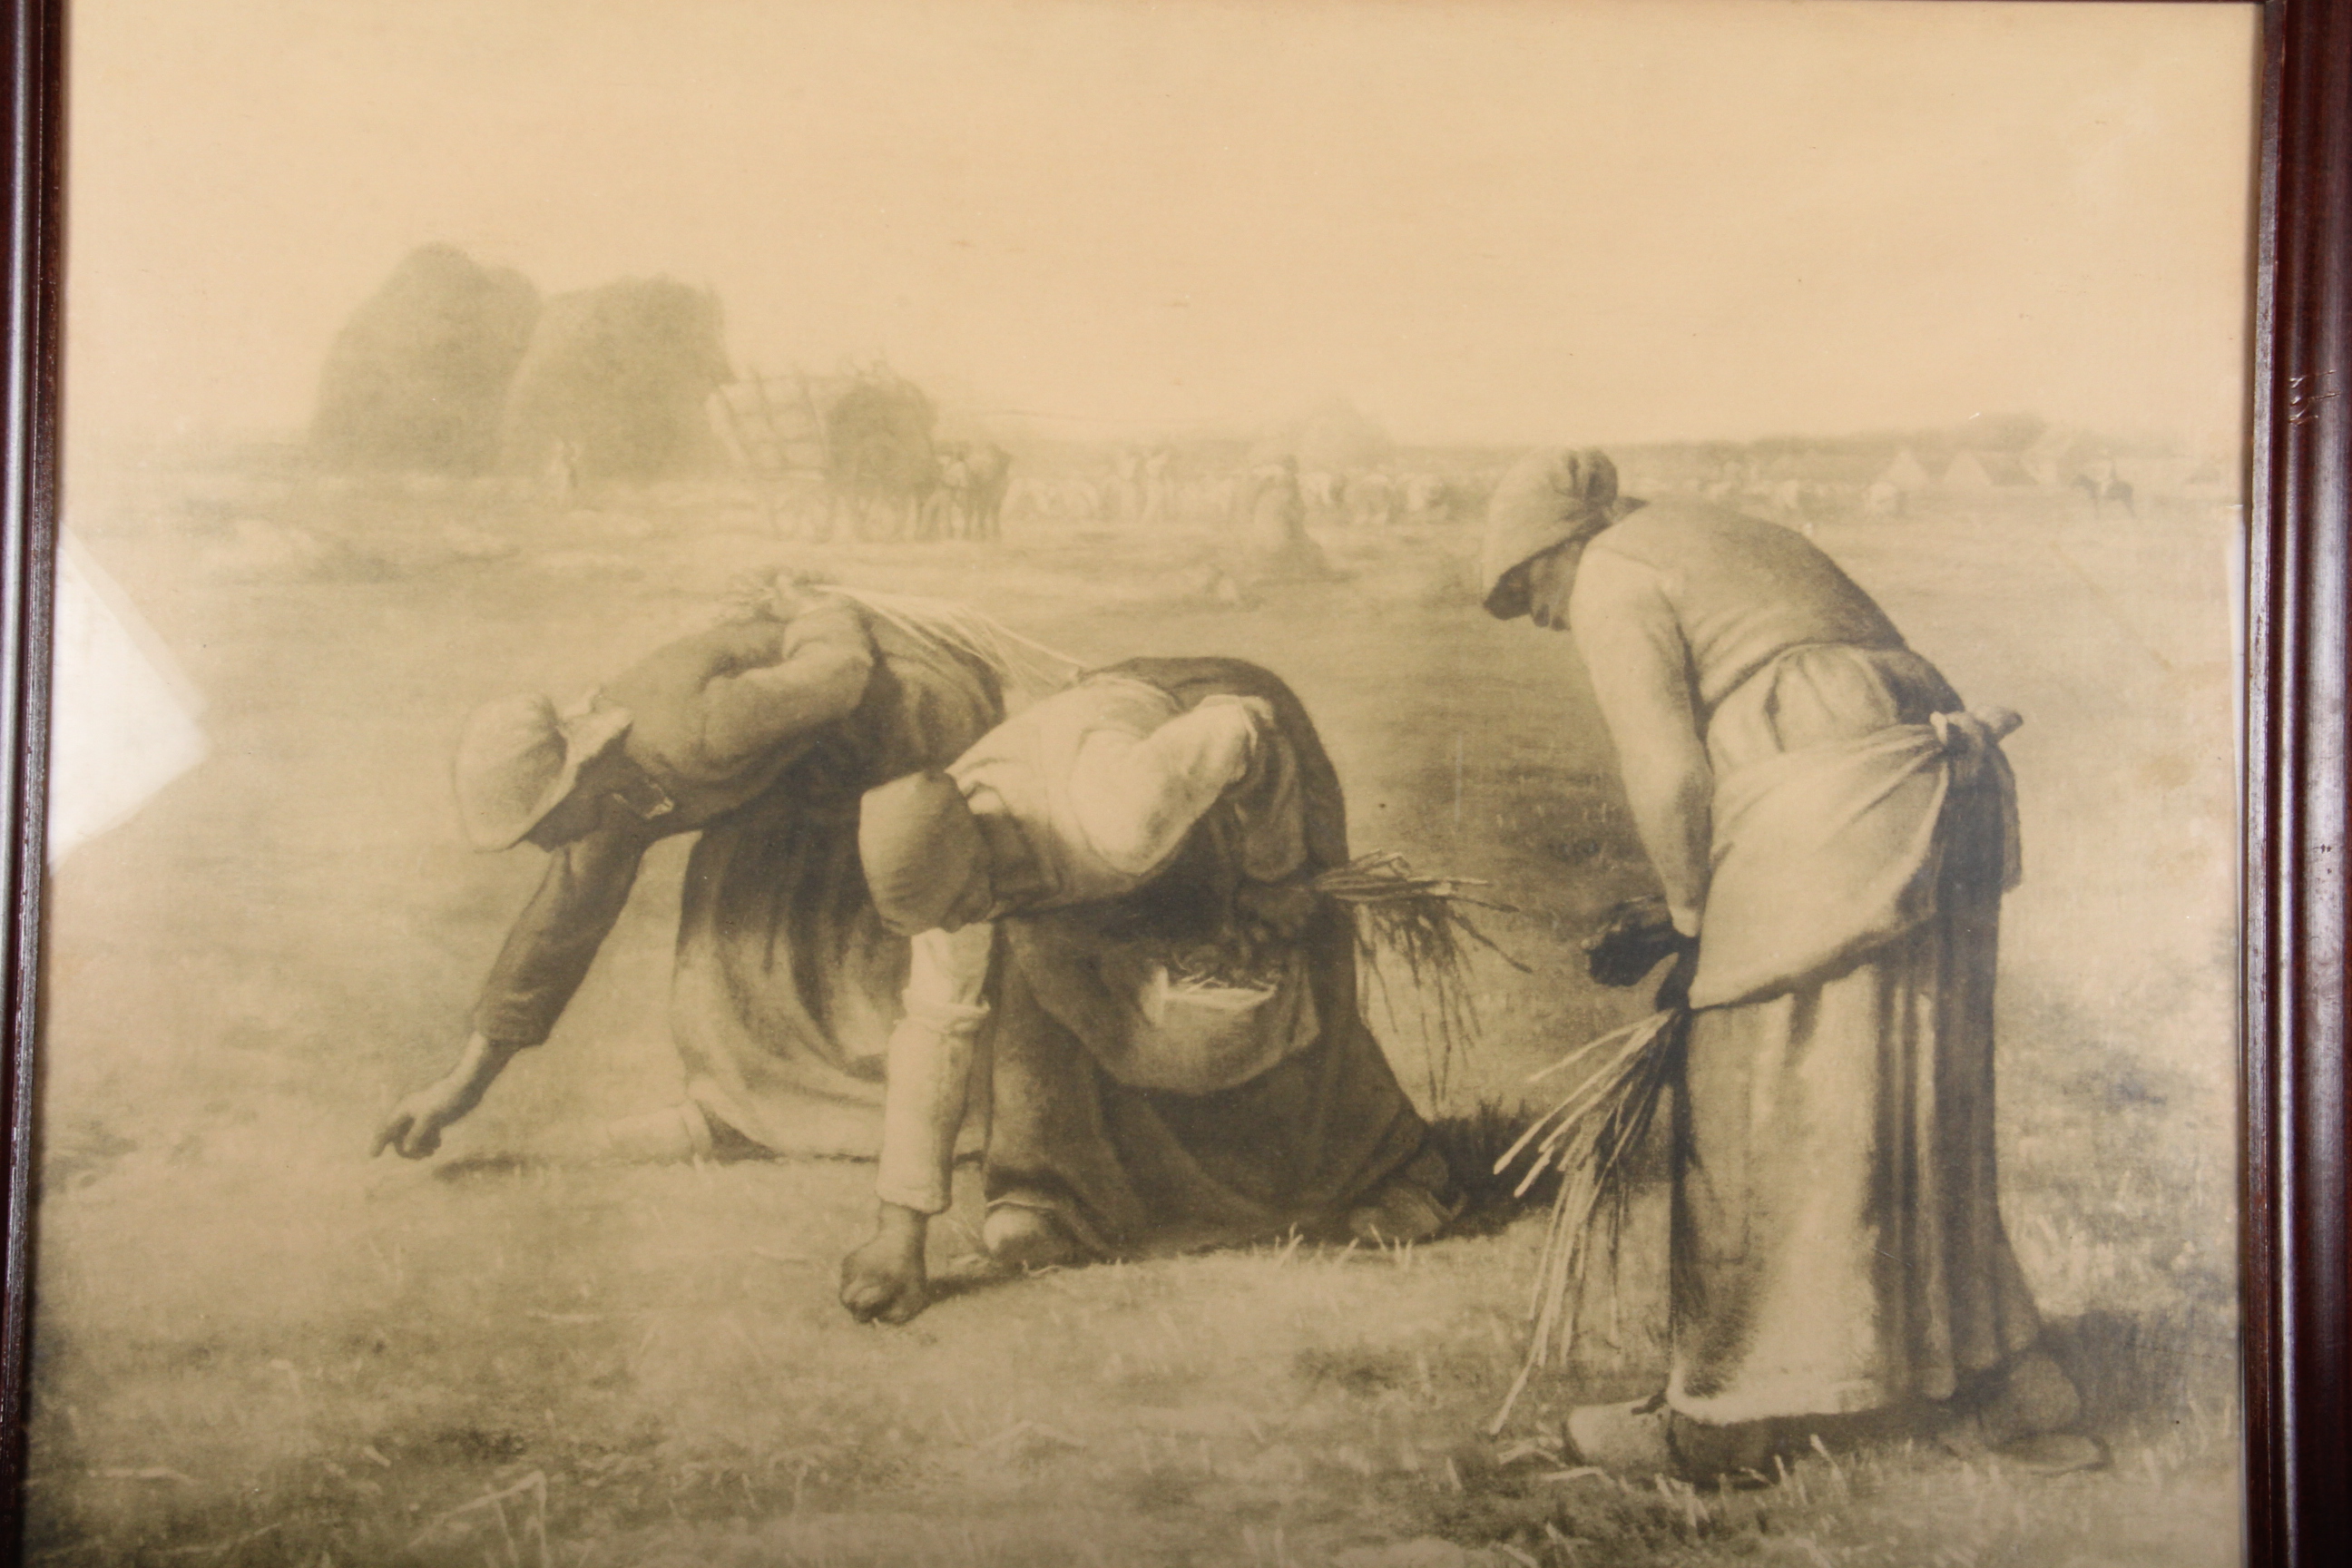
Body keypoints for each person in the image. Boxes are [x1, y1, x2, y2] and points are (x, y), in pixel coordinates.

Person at [1480, 447, 2083, 1475]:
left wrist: (1689, 915)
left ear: (1563, 547)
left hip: (1827, 790)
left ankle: (1726, 1422)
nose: (1533, 615)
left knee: (1750, 1099)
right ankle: (2006, 1388)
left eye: (1525, 587)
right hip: (1940, 786)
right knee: (1912, 1088)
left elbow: (1667, 771)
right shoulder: (1719, 533)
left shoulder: (1617, 570)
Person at [837, 657, 1458, 1325]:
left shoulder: (1114, 813)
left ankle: (1396, 1170)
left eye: (961, 904)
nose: (955, 924)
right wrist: (899, 1234)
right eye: (943, 917)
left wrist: (1272, 878)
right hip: (1129, 792)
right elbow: (937, 1026)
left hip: (1231, 756)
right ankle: (1060, 1201)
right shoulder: (946, 870)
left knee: (1286, 968)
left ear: (981, 848)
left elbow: (1245, 728)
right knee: (1047, 982)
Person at [372, 583, 1005, 1163]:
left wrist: (816, 609)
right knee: (723, 930)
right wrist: (459, 1088)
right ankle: (751, 1112)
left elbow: (837, 676)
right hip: (807, 773)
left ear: (576, 777)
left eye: (540, 823)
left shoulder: (694, 731)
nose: (541, 843)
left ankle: (953, 1115)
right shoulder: (608, 802)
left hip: (906, 718)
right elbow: (557, 930)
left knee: (883, 905)